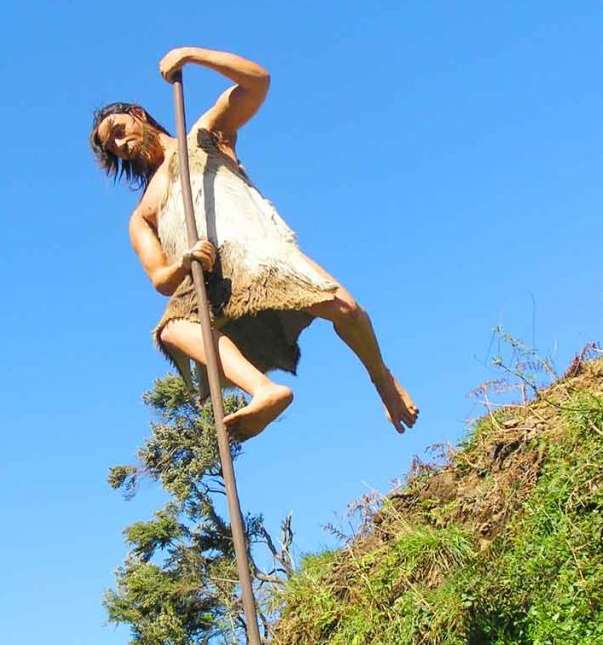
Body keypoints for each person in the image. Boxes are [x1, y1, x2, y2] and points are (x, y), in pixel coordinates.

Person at [89, 47, 419, 441]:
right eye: (113, 147)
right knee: (172, 328)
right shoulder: (142, 214)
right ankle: (263, 390)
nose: (121, 144)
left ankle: (382, 379)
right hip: (206, 279)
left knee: (346, 309)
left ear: (138, 115)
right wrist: (185, 264)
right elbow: (160, 277)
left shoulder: (203, 135)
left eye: (119, 131)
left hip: (256, 252)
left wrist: (190, 56)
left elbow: (257, 82)